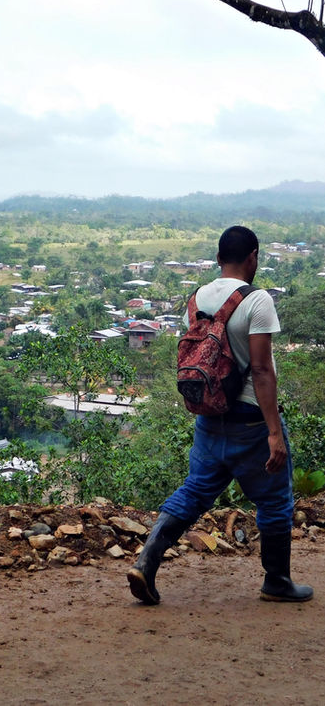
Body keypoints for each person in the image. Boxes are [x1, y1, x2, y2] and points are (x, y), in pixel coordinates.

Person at [127, 225, 313, 606]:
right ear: (253, 258)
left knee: (195, 490)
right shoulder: (257, 300)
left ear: (217, 260)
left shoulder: (195, 299)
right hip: (251, 421)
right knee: (275, 500)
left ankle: (146, 562)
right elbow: (261, 371)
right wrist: (274, 433)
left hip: (209, 418)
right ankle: (277, 581)